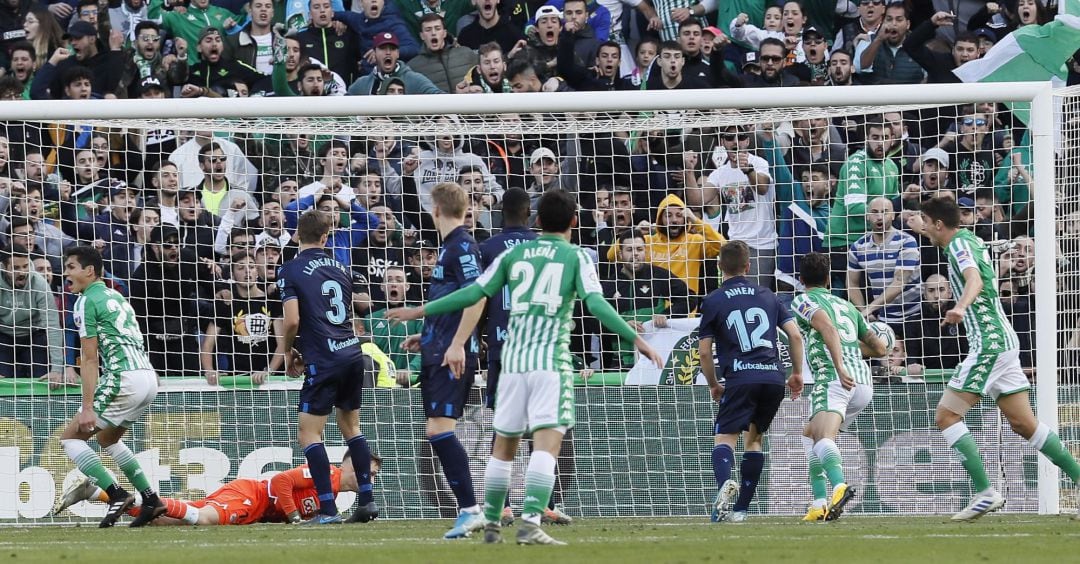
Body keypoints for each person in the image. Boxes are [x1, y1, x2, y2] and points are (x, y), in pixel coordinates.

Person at [387, 189, 662, 545]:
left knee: (503, 445)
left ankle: (491, 521)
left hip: (511, 359)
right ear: (574, 221)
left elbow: (473, 294)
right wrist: (636, 339)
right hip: (549, 361)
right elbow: (596, 305)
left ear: (538, 220)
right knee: (547, 443)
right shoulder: (576, 256)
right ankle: (531, 521)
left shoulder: (511, 254)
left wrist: (420, 311)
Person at [919, 196, 1080, 521]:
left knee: (946, 416)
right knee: (1024, 424)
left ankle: (985, 492)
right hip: (1003, 342)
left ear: (938, 223)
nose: (922, 229)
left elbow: (975, 280)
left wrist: (960, 307)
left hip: (989, 344)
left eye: (924, 222)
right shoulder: (970, 240)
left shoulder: (958, 245)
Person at [390, 182, 486, 539]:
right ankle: (472, 509)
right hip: (438, 347)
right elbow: (454, 299)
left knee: (439, 429)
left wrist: (458, 343)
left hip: (452, 353)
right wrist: (428, 334)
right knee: (437, 430)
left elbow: (477, 297)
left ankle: (471, 509)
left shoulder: (462, 246)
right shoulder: (449, 246)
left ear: (435, 210)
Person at [277, 210, 378, 524]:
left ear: (297, 235)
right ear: (325, 237)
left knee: (309, 434)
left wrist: (288, 351)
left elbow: (292, 320)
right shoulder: (342, 268)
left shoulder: (289, 270)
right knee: (351, 427)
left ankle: (328, 510)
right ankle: (367, 501)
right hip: (352, 354)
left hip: (323, 358)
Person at [57, 245, 165, 528]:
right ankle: (151, 499)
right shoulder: (116, 295)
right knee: (108, 439)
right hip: (147, 377)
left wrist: (88, 407)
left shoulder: (85, 301)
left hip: (123, 377)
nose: (66, 273)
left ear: (89, 271)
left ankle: (116, 494)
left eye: (71, 267)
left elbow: (90, 358)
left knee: (71, 439)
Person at [698, 240, 803, 524]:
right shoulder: (768, 295)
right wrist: (796, 373)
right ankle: (741, 510)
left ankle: (724, 486)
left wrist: (713, 384)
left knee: (725, 437)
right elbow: (795, 335)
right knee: (754, 439)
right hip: (772, 377)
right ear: (748, 266)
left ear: (719, 266)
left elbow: (705, 352)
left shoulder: (714, 300)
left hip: (741, 376)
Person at [790, 251, 888, 522]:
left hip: (835, 378)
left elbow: (828, 329)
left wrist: (840, 365)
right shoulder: (847, 305)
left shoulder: (803, 300)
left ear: (801, 280)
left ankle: (839, 486)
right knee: (809, 435)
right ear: (829, 279)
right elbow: (879, 348)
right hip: (863, 383)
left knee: (823, 437)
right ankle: (819, 503)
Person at [54, 452, 383, 525]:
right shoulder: (329, 474)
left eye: (373, 475)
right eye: (367, 472)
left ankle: (96, 494)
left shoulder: (333, 494)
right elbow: (281, 481)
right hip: (251, 496)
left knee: (163, 521)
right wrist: (294, 516)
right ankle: (126, 494)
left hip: (253, 506)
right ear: (348, 464)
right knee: (204, 519)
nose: (369, 479)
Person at [845, 197, 921, 326]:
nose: (879, 217)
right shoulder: (858, 247)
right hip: (884, 319)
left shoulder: (907, 241)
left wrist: (870, 308)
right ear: (867, 216)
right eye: (874, 212)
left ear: (893, 215)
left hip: (914, 317)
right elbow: (852, 284)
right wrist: (864, 312)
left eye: (885, 212)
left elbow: (899, 283)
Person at [0, 243, 66, 381]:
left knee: (41, 378)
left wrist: (57, 369)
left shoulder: (39, 284)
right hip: (4, 336)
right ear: (4, 268)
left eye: (25, 266)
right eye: (16, 268)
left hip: (34, 334)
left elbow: (52, 326)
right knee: (4, 382)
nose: (22, 272)